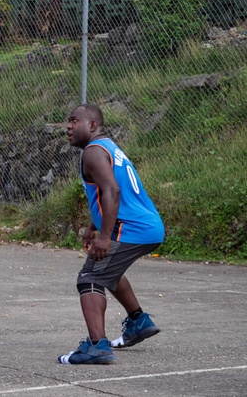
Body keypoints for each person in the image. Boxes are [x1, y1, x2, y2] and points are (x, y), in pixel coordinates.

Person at [59, 104, 164, 365]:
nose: (68, 127)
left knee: (90, 276)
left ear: (92, 125)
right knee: (109, 270)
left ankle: (96, 346)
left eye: (74, 121)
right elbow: (112, 192)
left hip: (131, 227)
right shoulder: (108, 147)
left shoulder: (93, 152)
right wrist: (94, 225)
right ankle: (138, 322)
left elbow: (113, 192)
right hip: (146, 224)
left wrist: (104, 237)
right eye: (67, 121)